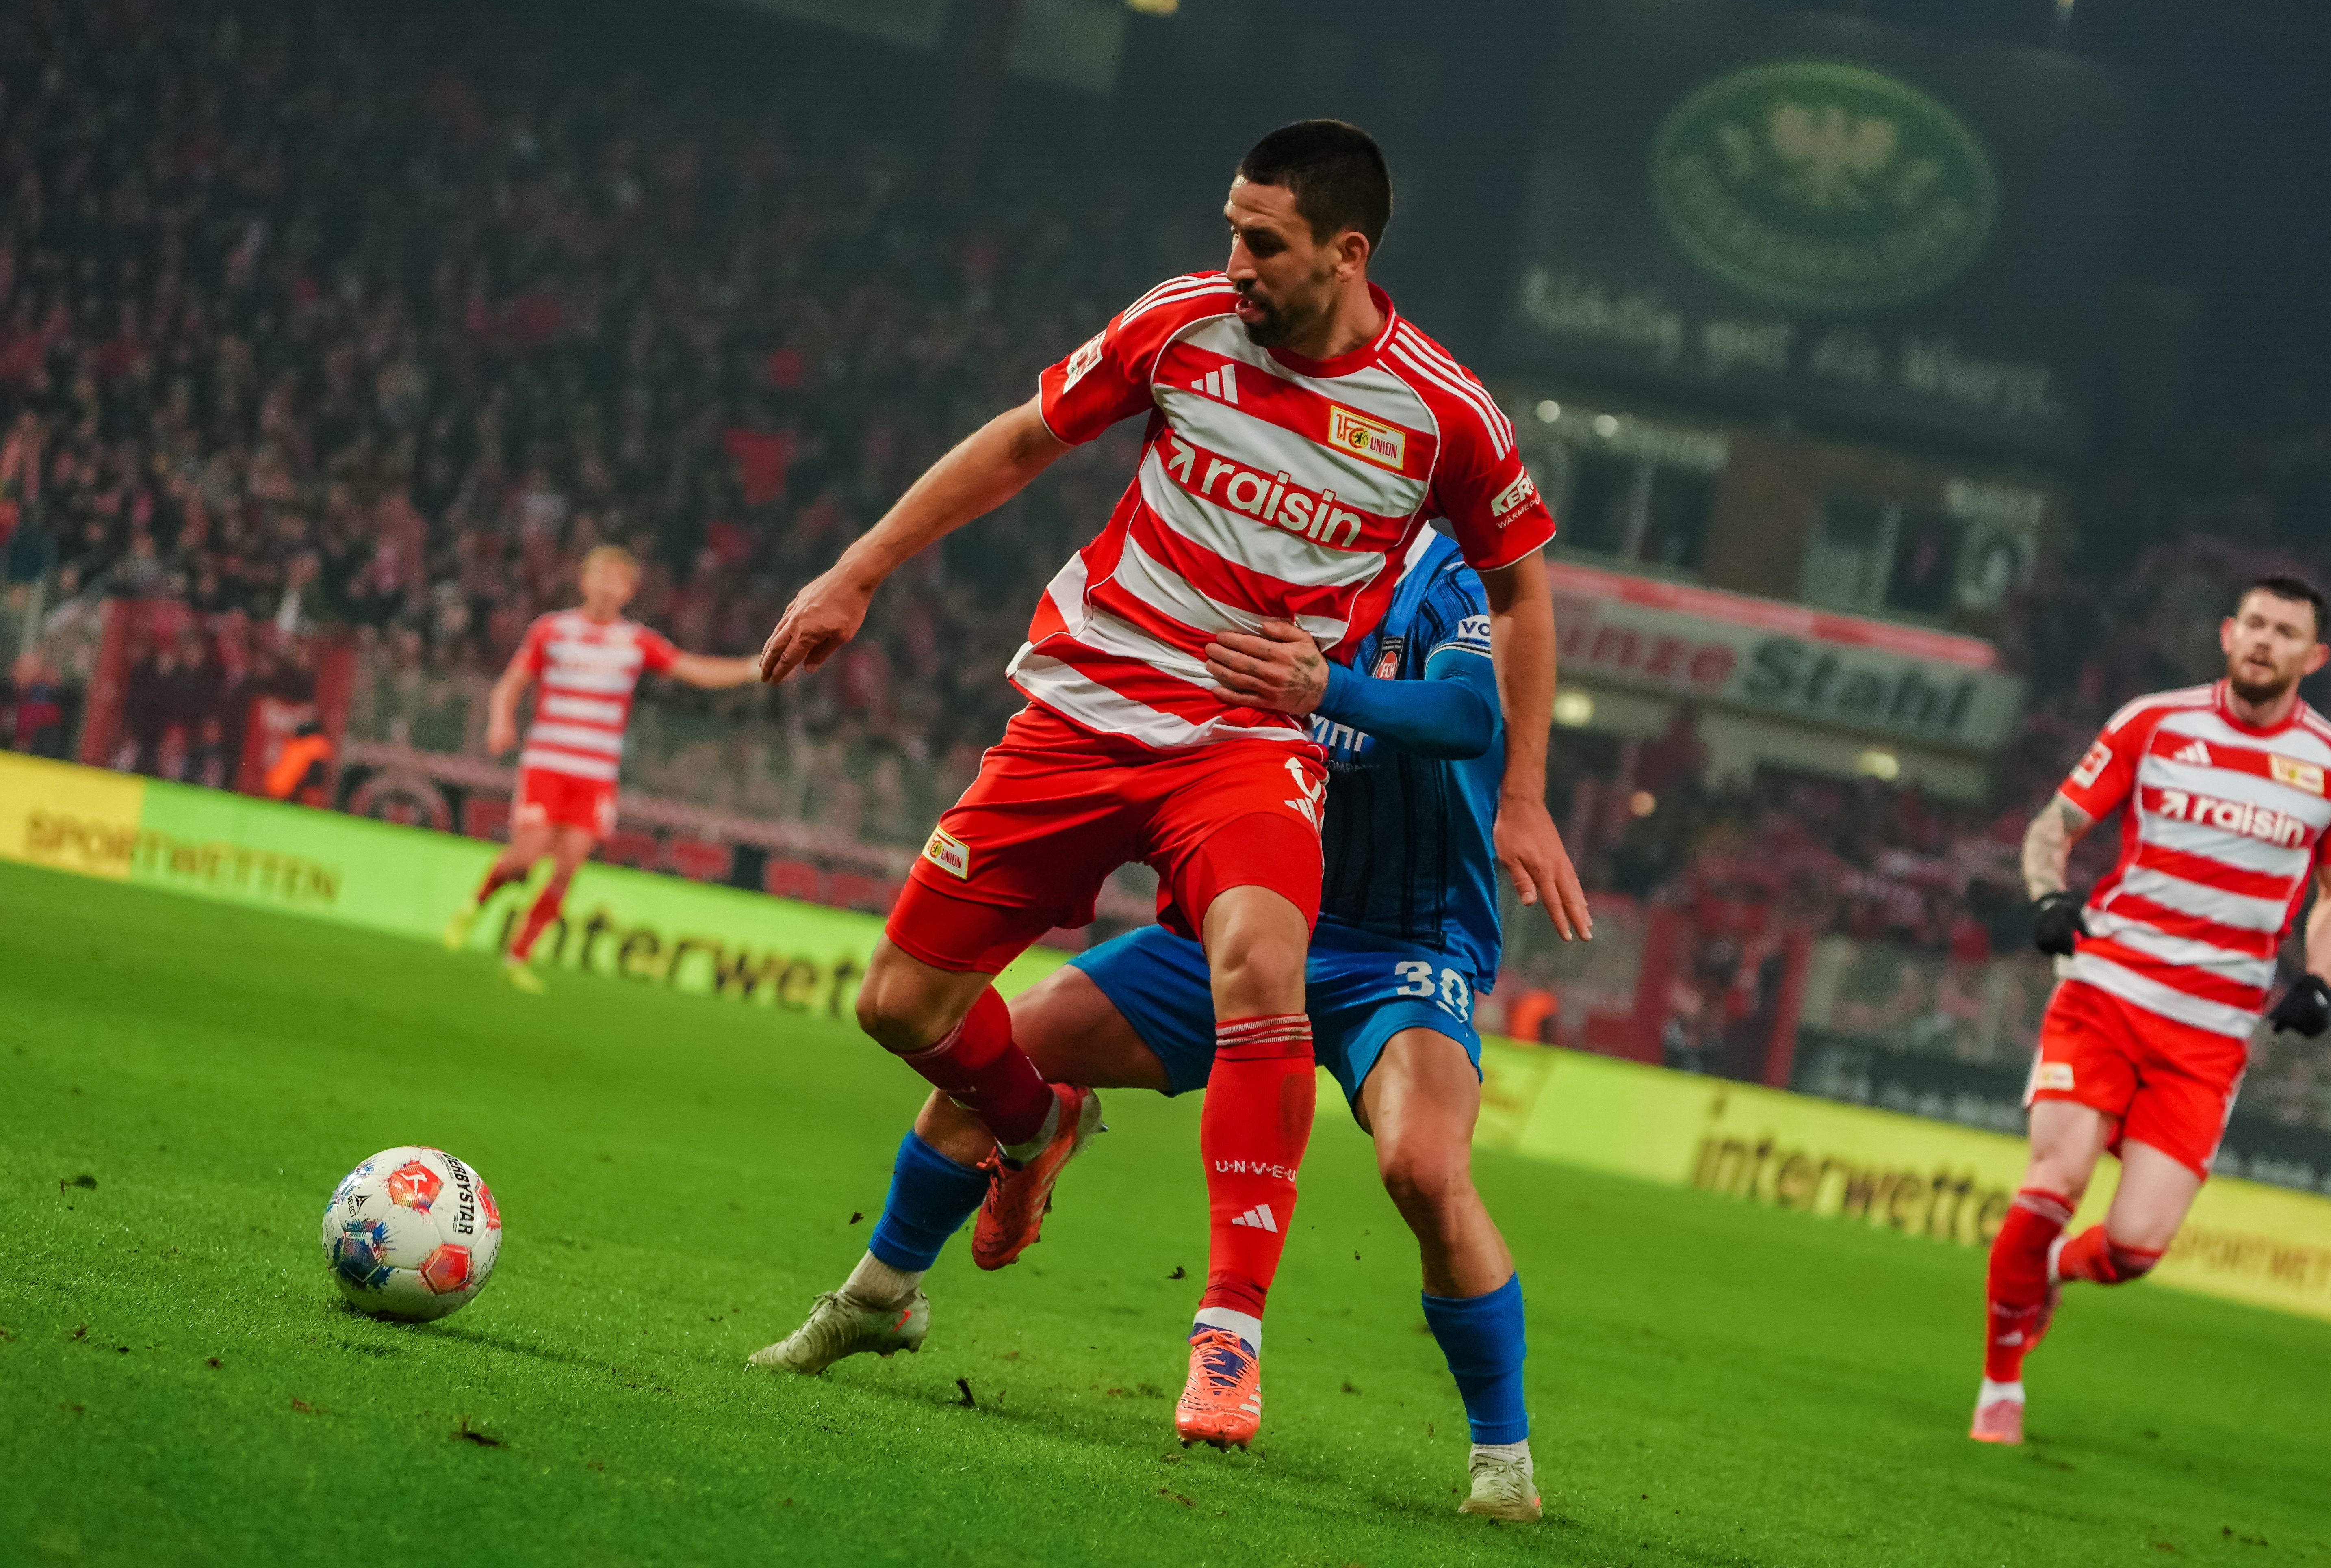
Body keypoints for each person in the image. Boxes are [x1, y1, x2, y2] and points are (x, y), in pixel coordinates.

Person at [752, 120, 1591, 1448]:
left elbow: (1521, 598)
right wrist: (860, 571)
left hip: (1248, 752)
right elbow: (1022, 441)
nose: (1235, 261)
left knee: (1268, 973)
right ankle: (1028, 1136)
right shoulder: (1180, 323)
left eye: (1263, 241)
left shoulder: (1443, 418)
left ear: (1347, 252)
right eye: (1230, 232)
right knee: (901, 1006)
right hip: (1084, 711)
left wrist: (1523, 796)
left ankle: (1229, 1341)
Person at [751, 528, 1549, 1518]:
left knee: (1422, 1168)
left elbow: (1469, 714)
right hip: (1230, 926)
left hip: (1397, 948)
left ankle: (1503, 1456)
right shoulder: (1267, 542)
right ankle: (878, 1294)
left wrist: (1329, 690)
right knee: (1004, 1054)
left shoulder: (1446, 574)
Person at [1972, 575, 2331, 1443]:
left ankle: (2052, 1273)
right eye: (2254, 623)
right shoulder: (2154, 722)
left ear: (2315, 656)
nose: (2264, 640)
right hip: (2106, 990)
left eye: (2286, 632)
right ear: (2228, 633)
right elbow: (2054, 825)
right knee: (2052, 1182)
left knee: (2135, 1247)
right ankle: (2000, 1386)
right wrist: (2049, 897)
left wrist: (2320, 976)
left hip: (2212, 1030)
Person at [442, 545, 761, 991]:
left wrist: (753, 668)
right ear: (583, 580)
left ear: (630, 591)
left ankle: (518, 957)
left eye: (618, 580)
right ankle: (475, 904)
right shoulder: (552, 629)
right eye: (601, 576)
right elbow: (511, 683)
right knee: (526, 858)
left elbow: (694, 669)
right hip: (548, 762)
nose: (608, 587)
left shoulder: (636, 641)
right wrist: (500, 720)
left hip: (595, 774)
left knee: (568, 866)